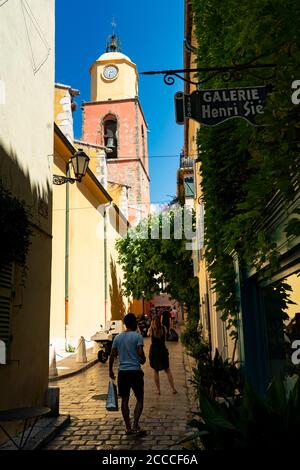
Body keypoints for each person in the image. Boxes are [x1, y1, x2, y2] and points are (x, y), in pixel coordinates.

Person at [109, 313, 146, 435]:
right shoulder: (137, 337)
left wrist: (110, 370)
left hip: (123, 373)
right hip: (135, 371)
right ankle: (136, 424)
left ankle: (128, 427)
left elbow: (112, 355)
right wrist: (143, 358)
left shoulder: (118, 338)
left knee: (124, 400)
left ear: (125, 324)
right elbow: (140, 353)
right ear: (134, 323)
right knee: (139, 399)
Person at [148, 316, 177, 395]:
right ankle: (173, 389)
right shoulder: (164, 328)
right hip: (162, 350)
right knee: (167, 370)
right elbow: (166, 335)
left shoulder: (151, 329)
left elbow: (148, 335)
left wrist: (152, 325)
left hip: (154, 351)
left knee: (155, 370)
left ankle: (158, 390)